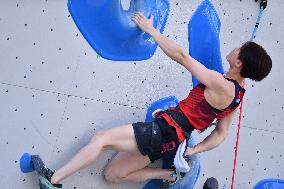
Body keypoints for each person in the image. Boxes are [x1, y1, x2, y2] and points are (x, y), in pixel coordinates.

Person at [32, 12, 272, 188]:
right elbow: (221, 134)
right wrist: (193, 148)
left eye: (239, 49)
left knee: (101, 139)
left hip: (165, 130)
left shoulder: (222, 84)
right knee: (113, 174)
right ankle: (170, 176)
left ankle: (53, 181)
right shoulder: (238, 96)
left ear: (239, 63)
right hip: (172, 140)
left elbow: (182, 56)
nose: (235, 48)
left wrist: (151, 30)